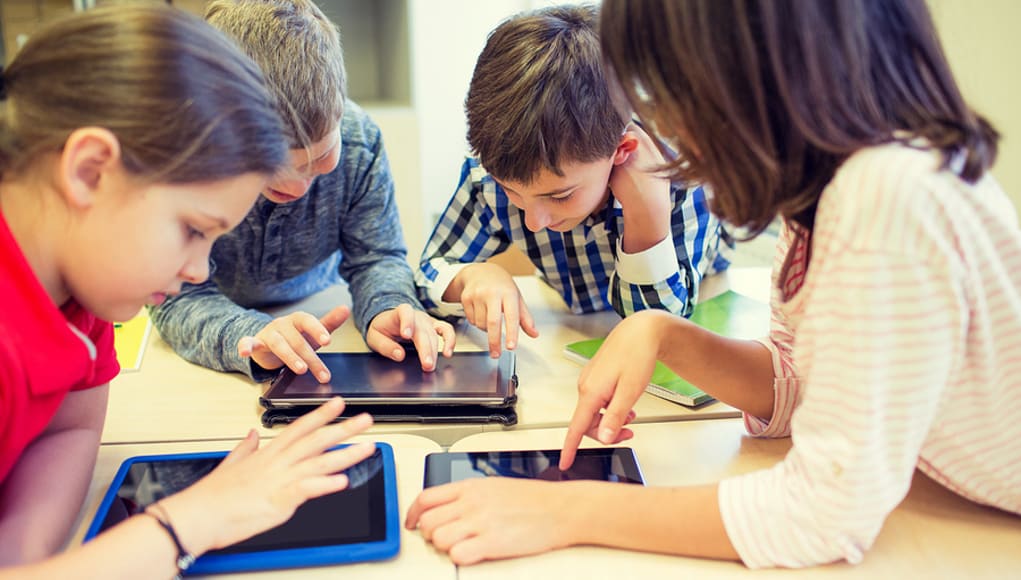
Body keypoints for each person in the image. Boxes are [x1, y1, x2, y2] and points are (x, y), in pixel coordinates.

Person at [406, 0, 1021, 568]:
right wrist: (664, 334)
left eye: (671, 89)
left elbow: (826, 512)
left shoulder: (884, 194)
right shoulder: (828, 194)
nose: (667, 128)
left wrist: (566, 508)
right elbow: (795, 388)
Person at [0, 6, 375, 577]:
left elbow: (71, 426)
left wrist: (22, 558)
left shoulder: (85, 290)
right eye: (193, 230)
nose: (200, 270)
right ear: (89, 171)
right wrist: (187, 522)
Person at [149, 0, 455, 385]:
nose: (296, 185)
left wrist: (388, 306)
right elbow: (177, 297)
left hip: (320, 308)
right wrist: (249, 334)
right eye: (272, 167)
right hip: (216, 328)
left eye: (322, 156)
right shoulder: (186, 160)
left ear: (340, 113)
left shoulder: (360, 140)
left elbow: (377, 257)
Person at [415, 4, 730, 357]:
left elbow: (660, 328)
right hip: (572, 332)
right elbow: (427, 273)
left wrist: (648, 213)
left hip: (708, 306)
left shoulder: (680, 174)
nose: (535, 222)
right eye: (511, 191)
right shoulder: (488, 176)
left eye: (560, 196)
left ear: (621, 150)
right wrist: (468, 278)